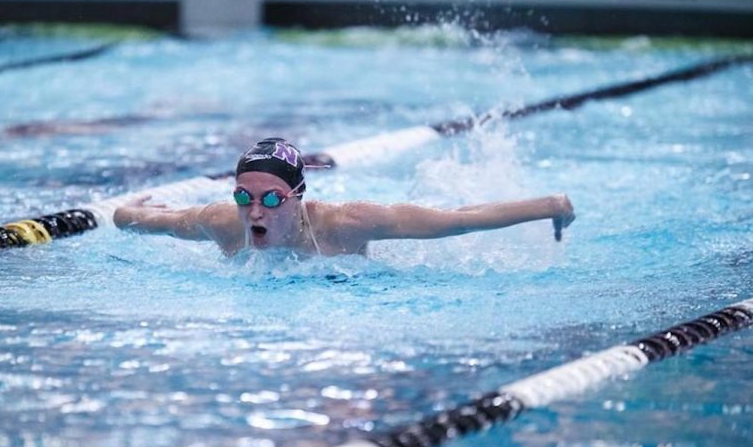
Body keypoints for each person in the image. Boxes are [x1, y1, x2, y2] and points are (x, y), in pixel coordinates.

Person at [114, 138, 575, 257]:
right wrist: (128, 210)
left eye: (271, 200)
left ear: (297, 196)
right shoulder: (220, 223)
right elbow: (137, 220)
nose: (255, 211)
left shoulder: (346, 224)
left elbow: (456, 220)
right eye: (243, 197)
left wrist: (549, 206)